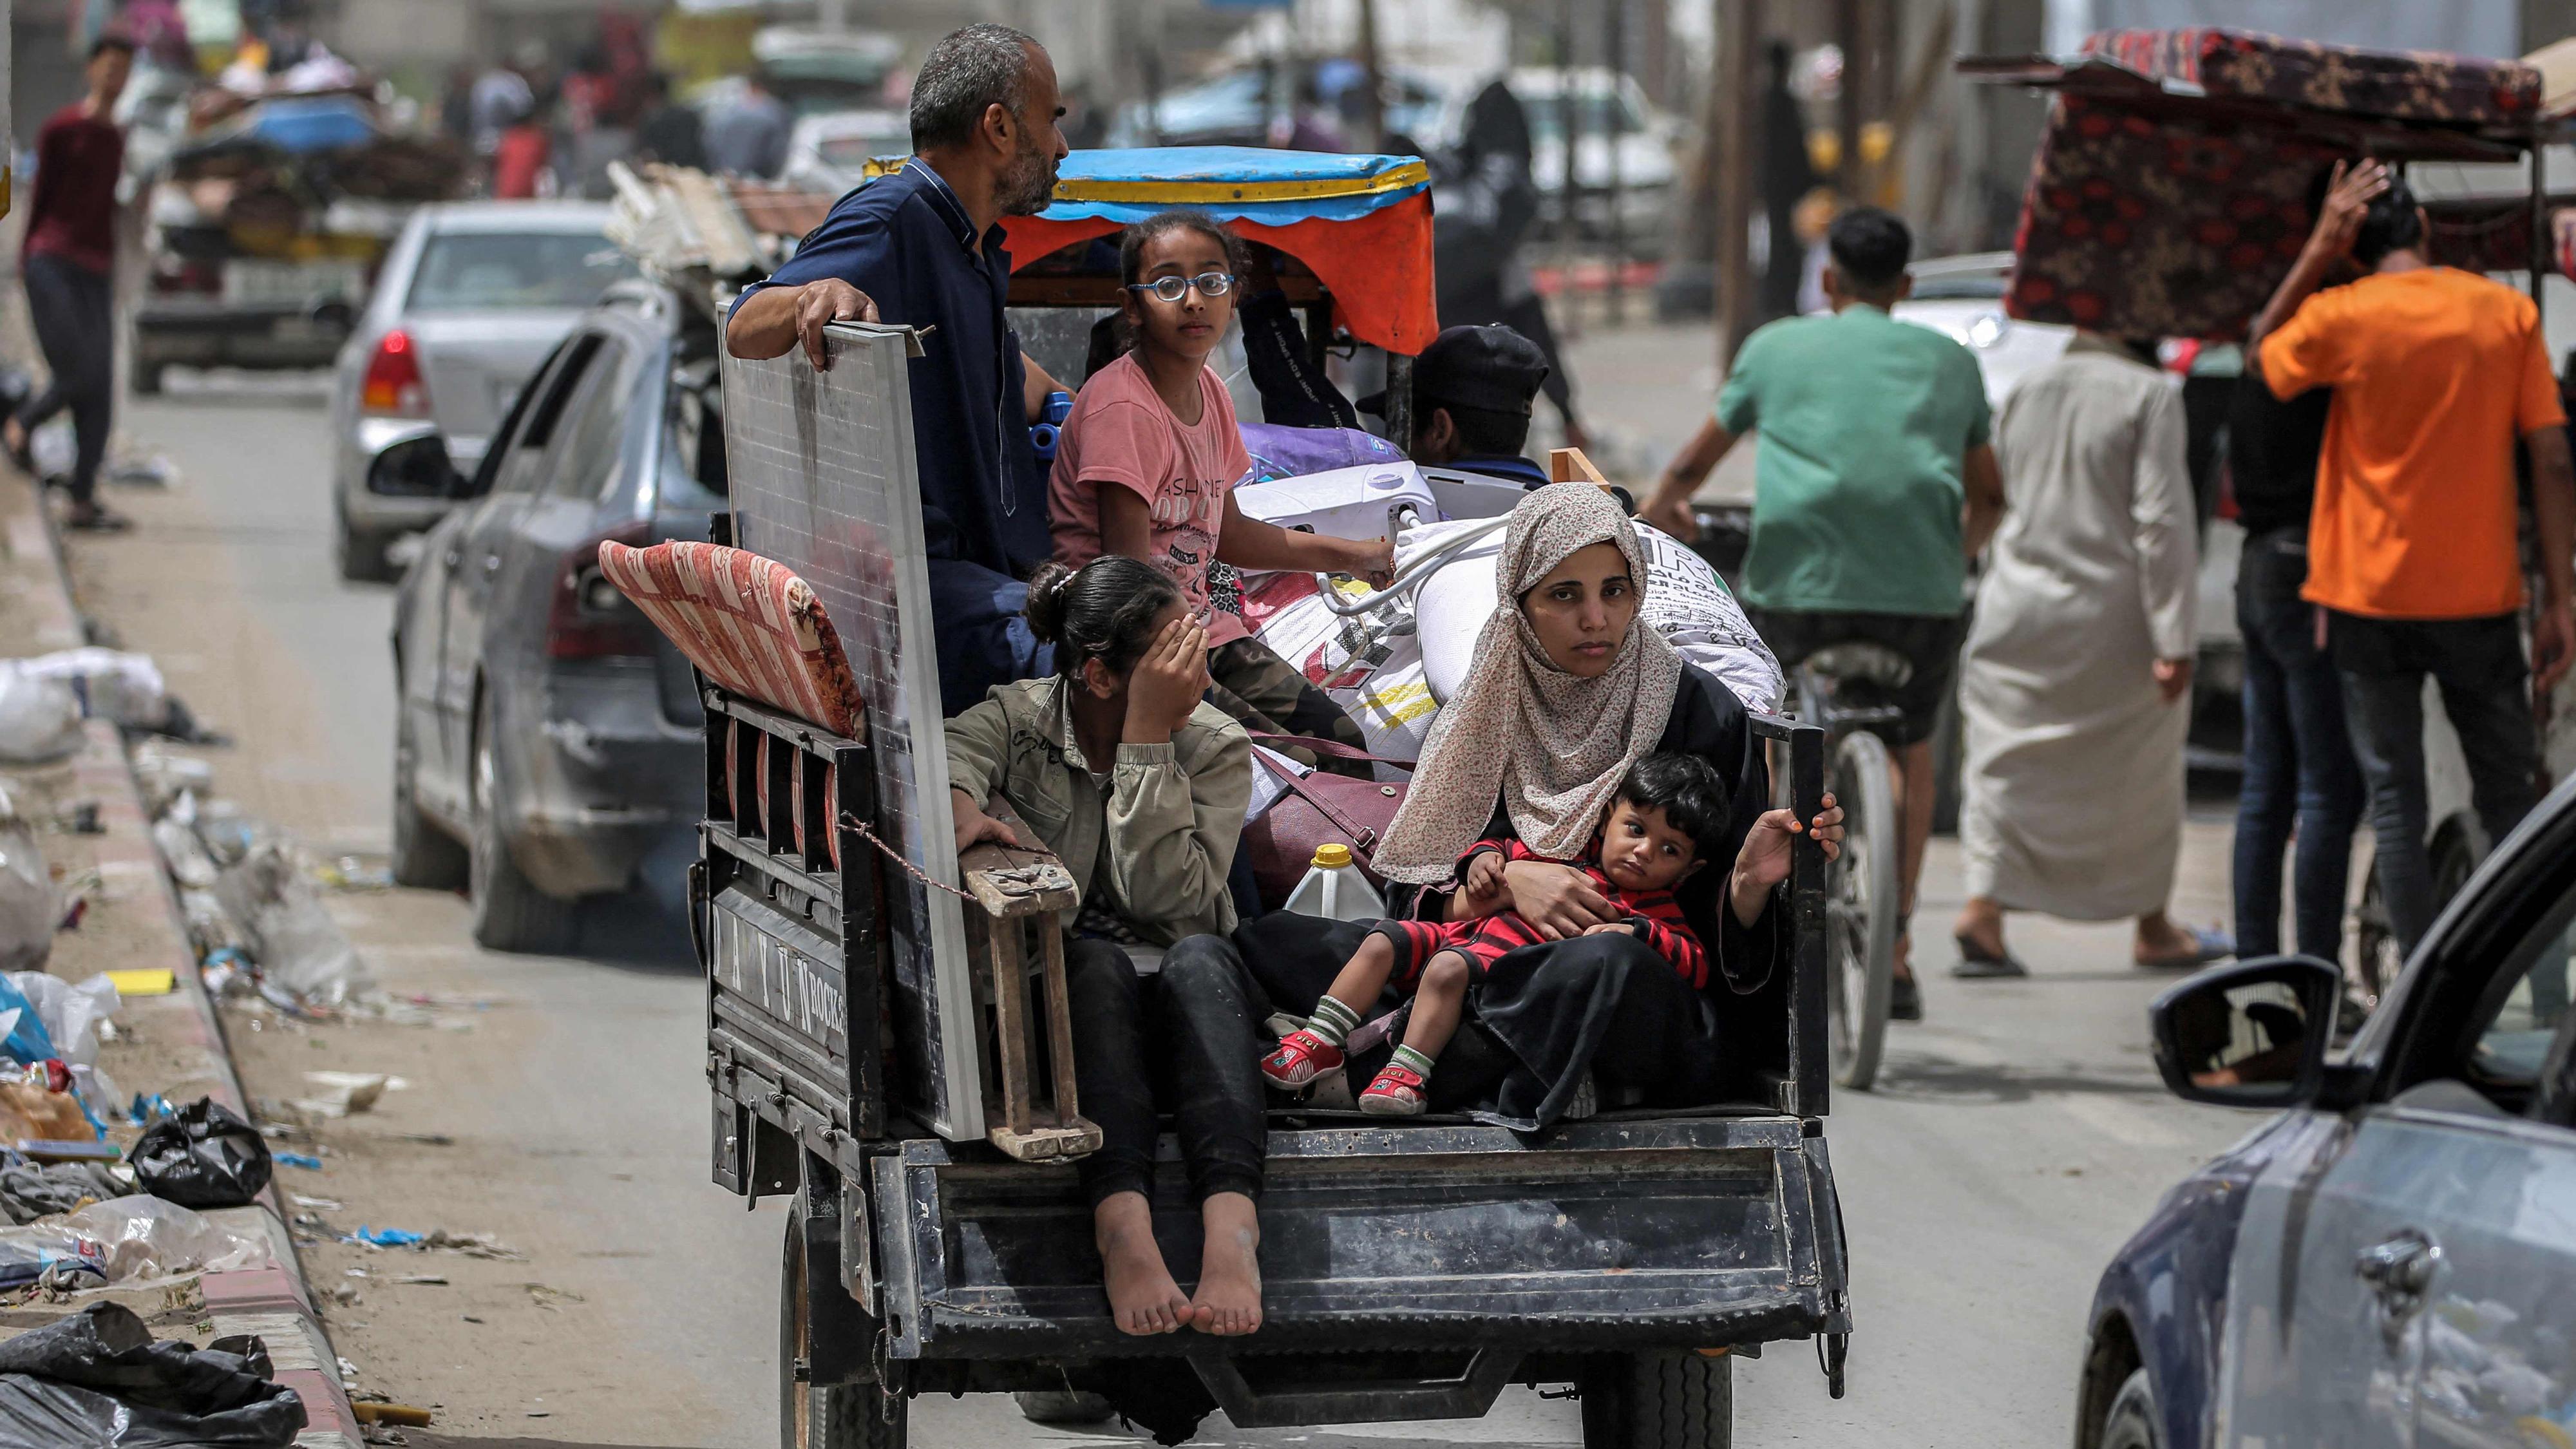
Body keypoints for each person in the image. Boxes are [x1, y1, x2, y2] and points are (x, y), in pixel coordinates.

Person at [1162, 484, 1841, 1134]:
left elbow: (1712, 949)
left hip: (1620, 990)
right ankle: (1487, 1062)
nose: (1596, 619)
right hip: (1478, 951)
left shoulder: (1699, 712)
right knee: (1275, 942)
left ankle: (1355, 1075)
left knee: (1597, 967)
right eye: (1564, 595)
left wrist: (1747, 883)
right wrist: (1512, 881)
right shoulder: (1492, 700)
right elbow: (1426, 890)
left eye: (1615, 591)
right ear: (1520, 601)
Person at [1642, 205, 2002, 1019]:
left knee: (1778, 732)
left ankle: (1770, 908)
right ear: (1904, 286)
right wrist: (1951, 560)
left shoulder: (1776, 347)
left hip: (1796, 589)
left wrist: (1663, 513)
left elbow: (1691, 467)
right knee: (1911, 744)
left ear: (1830, 280)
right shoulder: (1951, 361)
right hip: (1920, 597)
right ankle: (1896, 949)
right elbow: (1990, 497)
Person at [2253, 162, 2576, 958]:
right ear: (2425, 228)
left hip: (2367, 599)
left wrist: (2315, 253)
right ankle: (2537, 993)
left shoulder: (2342, 313)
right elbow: (2552, 459)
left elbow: (2263, 356)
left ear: (2351, 249)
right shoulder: (2504, 313)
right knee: (2510, 802)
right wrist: (2560, 600)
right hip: (2480, 598)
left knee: (2396, 806)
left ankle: (2420, 991)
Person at [940, 557, 1264, 1339]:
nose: (1195, 668)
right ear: (1098, 675)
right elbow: (948, 754)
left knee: (1204, 960)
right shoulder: (1020, 720)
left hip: (1187, 1007)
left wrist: (1148, 742)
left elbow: (1167, 899)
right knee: (1088, 962)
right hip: (1067, 1019)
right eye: (1171, 653)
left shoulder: (1212, 742)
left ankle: (1233, 1230)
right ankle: (1122, 1228)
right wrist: (958, 804)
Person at [726, 24, 1073, 711]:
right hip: (925, 596)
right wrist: (813, 294)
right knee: (1116, 647)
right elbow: (744, 324)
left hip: (996, 577)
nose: (1062, 146)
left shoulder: (969, 246)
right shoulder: (893, 217)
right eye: (1052, 120)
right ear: (1000, 128)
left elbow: (1011, 372)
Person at [1050, 210, 1387, 773]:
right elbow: (1126, 581)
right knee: (1290, 766)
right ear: (1131, 305)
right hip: (1133, 646)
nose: (1193, 301)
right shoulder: (1123, 408)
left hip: (1199, 629)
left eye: (1211, 282)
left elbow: (1230, 536)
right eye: (1168, 285)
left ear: (1234, 298)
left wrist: (1355, 557)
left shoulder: (1210, 391)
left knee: (1343, 743)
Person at [1948, 333, 2227, 973]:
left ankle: (1984, 910)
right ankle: (2153, 926)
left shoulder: (2024, 389)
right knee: (2141, 774)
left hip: (2016, 604)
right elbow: (2161, 520)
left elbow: (1993, 497)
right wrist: (2175, 638)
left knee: (2002, 761)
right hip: (2114, 620)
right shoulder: (2151, 395)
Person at [1262, 752, 1726, 1114]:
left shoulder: (1651, 908)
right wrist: (1483, 862)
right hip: (1459, 934)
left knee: (1446, 970)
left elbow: (1696, 963)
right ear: (1606, 818)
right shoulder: (1559, 849)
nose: (1643, 852)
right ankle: (1320, 1039)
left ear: (1690, 869)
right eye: (1635, 829)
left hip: (1495, 976)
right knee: (1381, 940)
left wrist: (1635, 934)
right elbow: (1500, 845)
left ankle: (1405, 1074)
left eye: (1669, 849)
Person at [2227, 164, 2370, 964]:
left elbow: (2257, 349)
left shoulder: (2280, 319)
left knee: (2269, 784)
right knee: (2325, 786)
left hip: (2259, 566)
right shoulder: (2331, 329)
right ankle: (2313, 973)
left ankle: (2256, 967)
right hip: (2304, 565)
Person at [8, 34, 135, 533]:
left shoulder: (118, 137)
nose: (116, 78)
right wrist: (25, 261)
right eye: (110, 67)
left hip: (96, 269)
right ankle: (22, 423)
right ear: (92, 70)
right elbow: (39, 199)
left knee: (100, 387)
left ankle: (82, 498)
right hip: (52, 260)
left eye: (124, 70)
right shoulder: (62, 129)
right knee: (77, 369)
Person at [1427, 80, 1589, 450]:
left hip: (1426, 399)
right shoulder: (1498, 243)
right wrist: (1568, 414)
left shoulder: (1444, 205)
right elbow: (1536, 331)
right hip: (1487, 408)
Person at [1358, 323, 1557, 488]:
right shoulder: (1560, 508)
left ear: (1440, 430)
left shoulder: (1405, 515)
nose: (1398, 447)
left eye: (1406, 427)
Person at [703, 71, 789, 179]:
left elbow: (712, 143)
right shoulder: (775, 112)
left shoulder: (727, 112)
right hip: (759, 178)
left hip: (725, 173)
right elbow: (778, 150)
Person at [632, 71, 705, 172]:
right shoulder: (689, 115)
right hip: (695, 169)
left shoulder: (652, 120)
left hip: (669, 172)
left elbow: (649, 154)